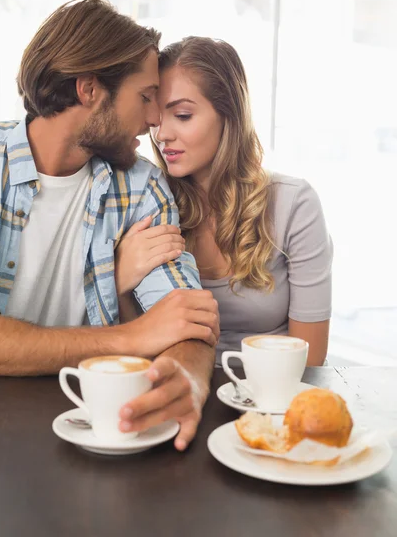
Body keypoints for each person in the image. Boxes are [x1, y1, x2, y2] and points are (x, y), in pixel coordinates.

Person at [0, 0, 219, 451]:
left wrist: (188, 376)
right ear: (88, 90)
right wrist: (129, 338)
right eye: (145, 97)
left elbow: (187, 315)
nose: (155, 119)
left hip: (93, 426)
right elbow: (147, 332)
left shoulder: (141, 186)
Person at [117, 36, 332, 367]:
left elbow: (311, 361)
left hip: (270, 400)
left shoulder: (293, 204)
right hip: (176, 392)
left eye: (183, 115)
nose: (162, 135)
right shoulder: (148, 205)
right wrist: (119, 281)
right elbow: (130, 345)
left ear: (229, 114)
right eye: (158, 118)